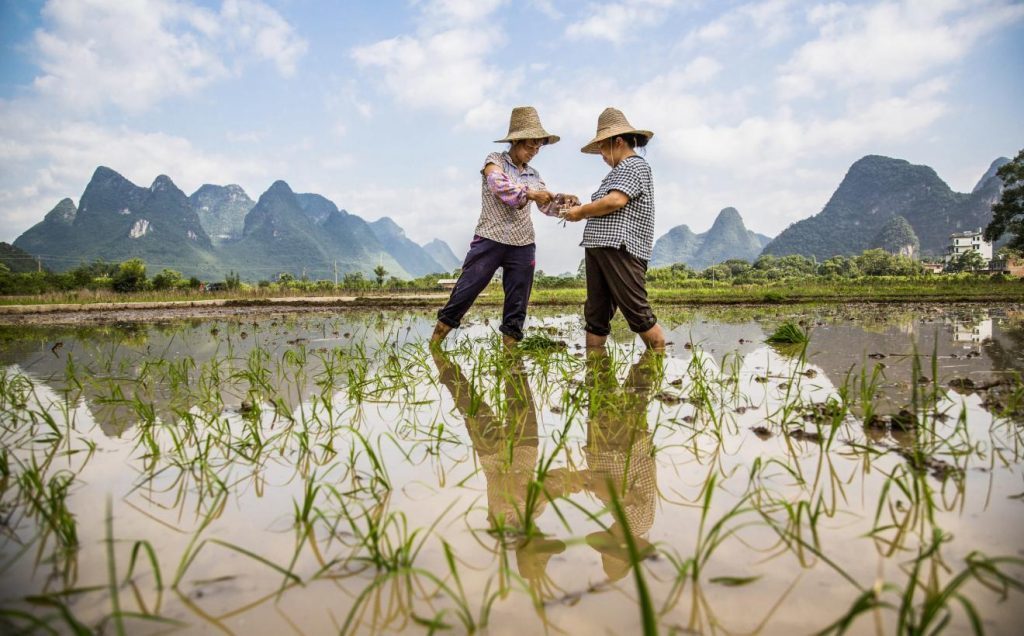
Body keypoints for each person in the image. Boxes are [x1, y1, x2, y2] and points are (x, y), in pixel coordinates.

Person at [431, 106, 578, 349]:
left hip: (522, 244)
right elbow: (498, 186)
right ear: (516, 141)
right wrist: (531, 194)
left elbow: (545, 205)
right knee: (465, 292)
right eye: (530, 145)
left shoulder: (533, 174)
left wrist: (565, 203)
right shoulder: (494, 161)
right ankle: (434, 346)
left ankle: (510, 355)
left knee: (517, 304)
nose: (534, 151)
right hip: (490, 239)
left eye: (538, 146)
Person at [562, 108, 666, 352]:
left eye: (602, 148)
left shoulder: (634, 166)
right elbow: (606, 203)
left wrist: (581, 212)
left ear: (618, 142)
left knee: (637, 312)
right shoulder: (617, 172)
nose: (601, 155)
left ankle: (655, 361)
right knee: (596, 315)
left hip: (621, 248)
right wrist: (581, 207)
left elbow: (615, 201)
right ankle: (596, 377)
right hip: (600, 248)